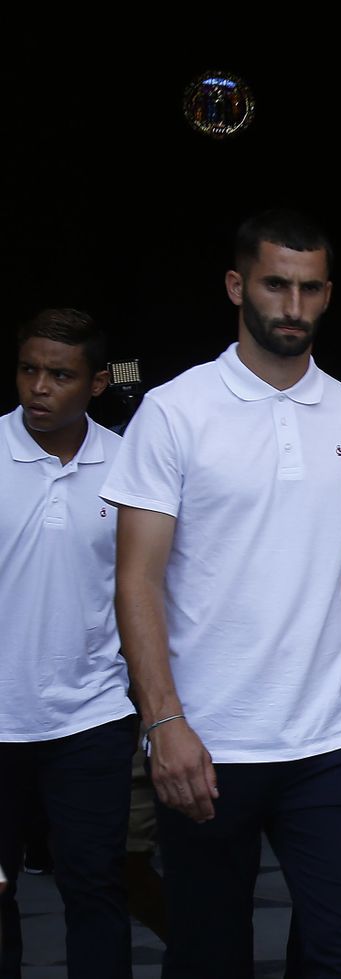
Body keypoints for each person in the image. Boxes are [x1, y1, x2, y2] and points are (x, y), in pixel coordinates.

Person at [102, 210, 341, 977]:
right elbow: (135, 575)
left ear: (328, 294)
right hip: (209, 741)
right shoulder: (175, 411)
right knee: (209, 956)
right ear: (238, 286)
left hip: (331, 741)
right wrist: (162, 719)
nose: (292, 306)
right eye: (276, 284)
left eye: (309, 288)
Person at [1, 309, 136, 978]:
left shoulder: (128, 467)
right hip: (0, 722)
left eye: (60, 374)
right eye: (29, 369)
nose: (39, 387)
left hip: (92, 718)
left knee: (95, 887)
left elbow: (153, 593)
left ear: (98, 382)